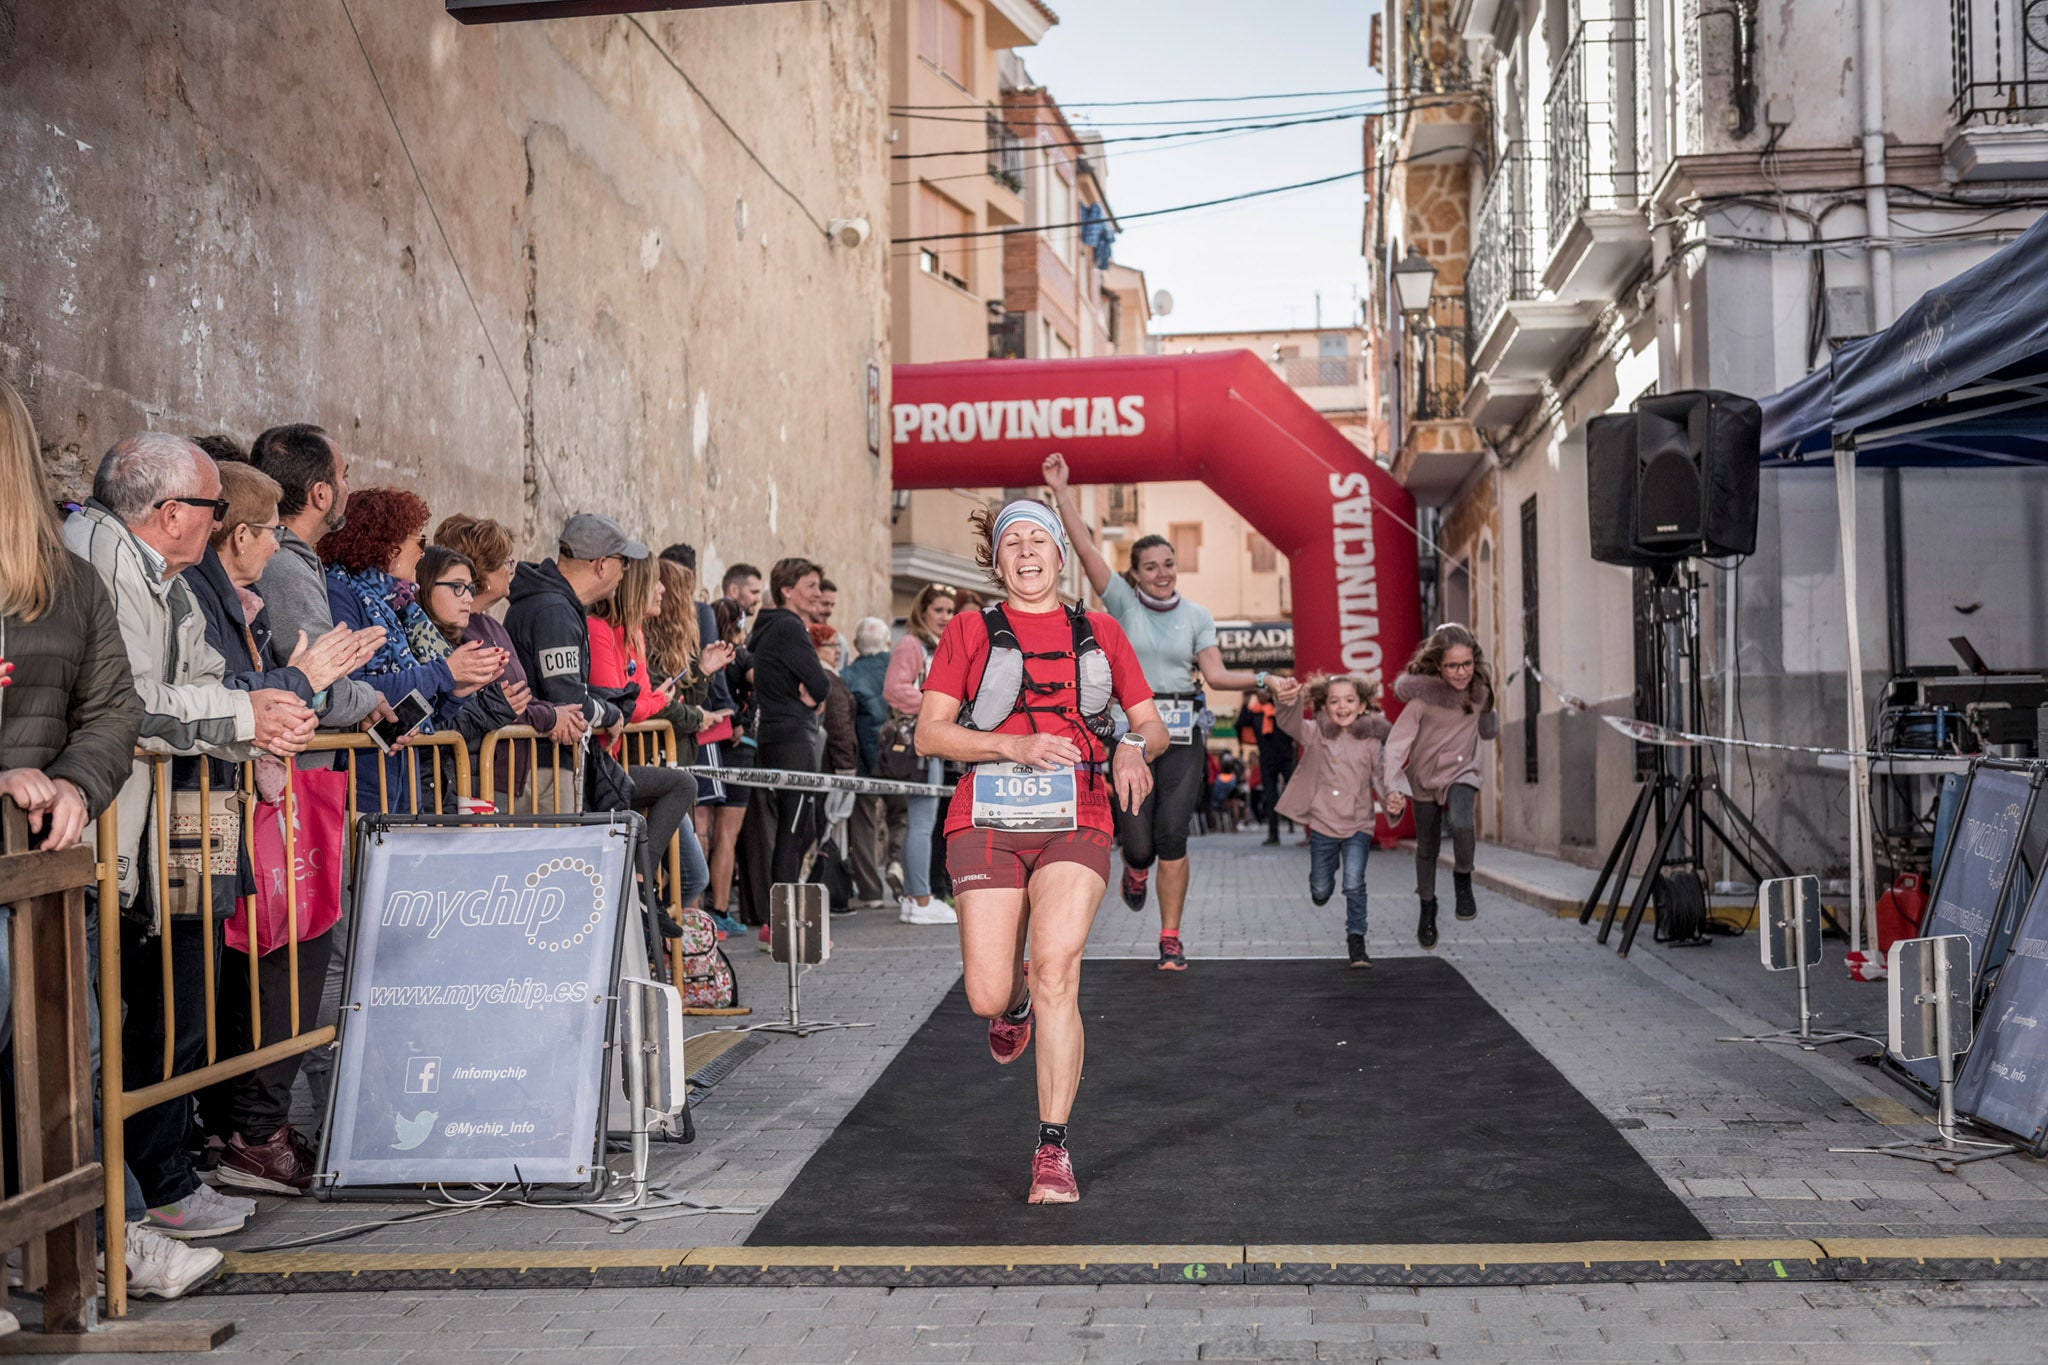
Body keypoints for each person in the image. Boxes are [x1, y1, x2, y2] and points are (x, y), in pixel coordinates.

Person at [65, 432, 319, 1242]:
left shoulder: (166, 575)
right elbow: (130, 703)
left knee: (174, 1015)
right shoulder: (101, 560)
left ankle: (158, 1185)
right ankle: (119, 1217)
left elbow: (202, 678)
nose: (222, 528)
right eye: (214, 511)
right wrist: (251, 715)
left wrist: (250, 721)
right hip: (114, 831)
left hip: (172, 826)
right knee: (107, 1036)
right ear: (172, 512)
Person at [0, 384, 207, 1300]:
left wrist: (79, 782)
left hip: (48, 864)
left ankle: (84, 1249)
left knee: (66, 1065)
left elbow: (115, 706)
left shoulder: (63, 577)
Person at [914, 498, 1165, 1205]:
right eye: (1012, 542)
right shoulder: (968, 628)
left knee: (1058, 966)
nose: (1026, 551)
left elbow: (1149, 723)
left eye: (1038, 539)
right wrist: (1011, 744)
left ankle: (1052, 1147)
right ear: (998, 561)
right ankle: (1013, 1003)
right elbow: (929, 735)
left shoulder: (1103, 631)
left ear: (1060, 554)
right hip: (985, 813)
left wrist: (1132, 746)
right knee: (986, 991)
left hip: (1077, 812)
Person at [183, 460, 378, 1193]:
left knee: (268, 968)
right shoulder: (206, 594)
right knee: (245, 981)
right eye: (267, 534)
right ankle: (240, 1133)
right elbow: (213, 693)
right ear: (239, 533)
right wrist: (301, 683)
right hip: (213, 814)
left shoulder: (237, 598)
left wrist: (293, 682)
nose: (275, 549)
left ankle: (242, 1130)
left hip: (251, 809)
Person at [1043, 452, 1278, 972]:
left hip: (1183, 732)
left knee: (1174, 834)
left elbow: (1215, 675)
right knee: (1140, 842)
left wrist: (1266, 679)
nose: (1162, 573)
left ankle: (1170, 936)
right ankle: (1136, 867)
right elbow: (1084, 549)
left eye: (1168, 563)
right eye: (1150, 567)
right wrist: (1062, 492)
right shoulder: (1123, 604)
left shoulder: (1197, 615)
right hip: (1131, 733)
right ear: (1136, 575)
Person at [318, 489, 507, 811]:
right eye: (418, 541)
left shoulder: (394, 603)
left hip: (398, 786)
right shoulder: (341, 596)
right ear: (388, 546)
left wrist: (456, 691)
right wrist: (445, 672)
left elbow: (413, 711)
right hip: (360, 789)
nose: (422, 553)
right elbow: (353, 690)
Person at [588, 551, 717, 939]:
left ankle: (645, 887)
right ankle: (644, 886)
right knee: (682, 787)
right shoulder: (599, 629)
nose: (661, 588)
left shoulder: (634, 635)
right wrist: (660, 702)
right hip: (599, 766)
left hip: (620, 761)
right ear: (635, 586)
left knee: (693, 873)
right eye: (654, 581)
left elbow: (639, 700)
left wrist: (652, 702)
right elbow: (625, 704)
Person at [434, 513, 589, 801]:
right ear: (484, 572)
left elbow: (518, 696)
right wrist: (551, 716)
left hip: (510, 772)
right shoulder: (456, 631)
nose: (512, 570)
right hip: (480, 773)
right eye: (506, 563)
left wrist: (560, 714)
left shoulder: (492, 625)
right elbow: (494, 701)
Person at [502, 513, 641, 814]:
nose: (625, 572)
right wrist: (611, 714)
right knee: (557, 860)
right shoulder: (555, 611)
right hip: (541, 768)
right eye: (623, 563)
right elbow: (569, 698)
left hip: (538, 762)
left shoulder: (552, 603)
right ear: (601, 564)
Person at [1382, 623, 1499, 949]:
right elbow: (1396, 746)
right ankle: (1427, 906)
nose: (1461, 672)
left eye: (1467, 664)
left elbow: (1488, 731)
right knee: (1427, 848)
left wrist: (1490, 707)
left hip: (1464, 771)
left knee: (1462, 823)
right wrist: (1394, 784)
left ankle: (1463, 876)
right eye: (1452, 665)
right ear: (1437, 665)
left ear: (1475, 661)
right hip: (1424, 777)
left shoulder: (1480, 693)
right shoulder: (1421, 701)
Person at [1271, 674, 1393, 968]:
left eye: (1349, 700)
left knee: (1354, 883)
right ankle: (1321, 882)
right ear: (1323, 706)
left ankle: (1357, 940)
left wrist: (1393, 798)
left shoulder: (1371, 741)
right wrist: (1288, 699)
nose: (1342, 707)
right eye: (1334, 701)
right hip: (1323, 824)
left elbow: (1382, 775)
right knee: (1321, 890)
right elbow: (1289, 723)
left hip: (1358, 826)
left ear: (1362, 705)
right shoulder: (1316, 733)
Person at [646, 557, 739, 934]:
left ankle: (669, 951)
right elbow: (660, 705)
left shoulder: (675, 645)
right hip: (659, 770)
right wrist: (697, 718)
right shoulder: (648, 644)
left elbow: (688, 698)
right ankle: (661, 949)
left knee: (683, 876)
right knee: (685, 874)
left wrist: (703, 669)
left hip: (676, 767)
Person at [738, 558, 832, 930]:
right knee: (795, 829)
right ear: (787, 590)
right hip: (792, 737)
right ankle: (780, 923)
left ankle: (778, 917)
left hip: (776, 736)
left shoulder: (768, 626)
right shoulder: (790, 627)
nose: (817, 593)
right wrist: (815, 691)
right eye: (810, 585)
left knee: (795, 828)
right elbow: (821, 684)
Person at [883, 584, 958, 926]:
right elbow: (894, 689)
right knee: (922, 821)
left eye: (949, 610)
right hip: (918, 742)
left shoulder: (938, 646)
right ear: (923, 611)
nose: (945, 617)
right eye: (939, 610)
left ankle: (917, 897)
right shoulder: (913, 644)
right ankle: (921, 898)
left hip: (933, 740)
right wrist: (936, 706)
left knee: (925, 821)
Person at [701, 596, 753, 925]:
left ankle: (699, 911)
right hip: (736, 742)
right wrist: (743, 716)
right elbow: (769, 685)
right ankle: (719, 910)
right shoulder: (741, 656)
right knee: (726, 837)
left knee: (701, 832)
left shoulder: (704, 650)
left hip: (707, 742)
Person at [842, 616, 899, 910]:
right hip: (901, 759)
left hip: (863, 761)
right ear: (888, 642)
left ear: (855, 645)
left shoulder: (848, 675)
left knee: (862, 823)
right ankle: (898, 865)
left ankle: (870, 890)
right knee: (902, 816)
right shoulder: (899, 669)